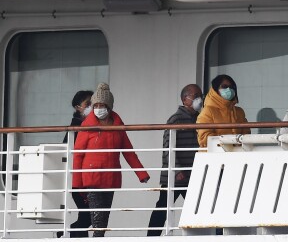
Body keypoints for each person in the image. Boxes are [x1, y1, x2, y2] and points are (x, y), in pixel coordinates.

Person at [72, 83, 149, 237]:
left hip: (110, 178)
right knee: (98, 221)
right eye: (96, 105)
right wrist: (77, 184)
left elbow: (128, 152)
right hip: (91, 179)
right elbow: (78, 155)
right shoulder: (86, 126)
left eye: (102, 105)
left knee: (103, 220)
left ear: (109, 106)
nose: (98, 108)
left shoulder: (118, 126)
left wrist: (142, 174)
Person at [147, 84, 203, 236]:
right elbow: (167, 147)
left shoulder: (200, 119)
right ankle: (151, 237)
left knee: (199, 207)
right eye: (196, 96)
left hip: (192, 174)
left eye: (200, 95)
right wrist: (177, 169)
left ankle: (204, 236)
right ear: (185, 99)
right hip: (174, 175)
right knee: (163, 207)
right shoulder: (176, 119)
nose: (200, 99)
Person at [61, 91, 93, 238]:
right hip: (77, 181)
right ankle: (64, 233)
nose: (92, 107)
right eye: (88, 104)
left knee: (86, 216)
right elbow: (67, 149)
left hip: (85, 179)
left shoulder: (87, 125)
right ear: (78, 107)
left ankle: (67, 234)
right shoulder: (75, 127)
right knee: (88, 216)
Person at [196, 75, 249, 148]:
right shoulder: (208, 111)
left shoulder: (239, 111)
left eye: (231, 87)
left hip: (236, 154)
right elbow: (204, 137)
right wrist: (229, 143)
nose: (229, 89)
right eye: (224, 86)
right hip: (213, 155)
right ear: (215, 90)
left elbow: (246, 134)